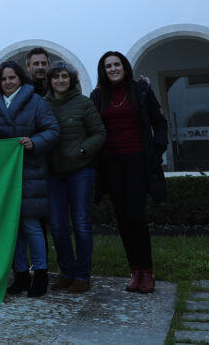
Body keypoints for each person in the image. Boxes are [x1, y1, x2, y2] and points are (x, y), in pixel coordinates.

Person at [90, 51, 168, 294]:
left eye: (117, 64)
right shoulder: (97, 96)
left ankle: (148, 272)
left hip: (138, 160)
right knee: (123, 219)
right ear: (103, 71)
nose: (113, 69)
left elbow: (159, 122)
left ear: (124, 67)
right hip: (111, 163)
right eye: (108, 66)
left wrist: (157, 149)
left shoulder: (141, 91)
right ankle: (134, 271)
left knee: (136, 215)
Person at [0, 60, 59, 298]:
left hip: (31, 170)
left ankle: (40, 273)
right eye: (4, 79)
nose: (8, 82)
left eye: (12, 78)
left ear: (20, 79)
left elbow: (53, 130)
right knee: (12, 228)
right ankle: (21, 275)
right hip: (4, 176)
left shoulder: (37, 101)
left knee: (31, 225)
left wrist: (34, 142)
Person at [44, 61, 106, 294]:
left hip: (81, 170)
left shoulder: (83, 103)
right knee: (58, 226)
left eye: (64, 76)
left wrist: (82, 150)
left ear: (72, 80)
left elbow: (99, 133)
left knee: (81, 223)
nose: (60, 80)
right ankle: (66, 272)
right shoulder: (42, 104)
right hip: (54, 174)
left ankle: (82, 275)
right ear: (50, 81)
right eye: (56, 77)